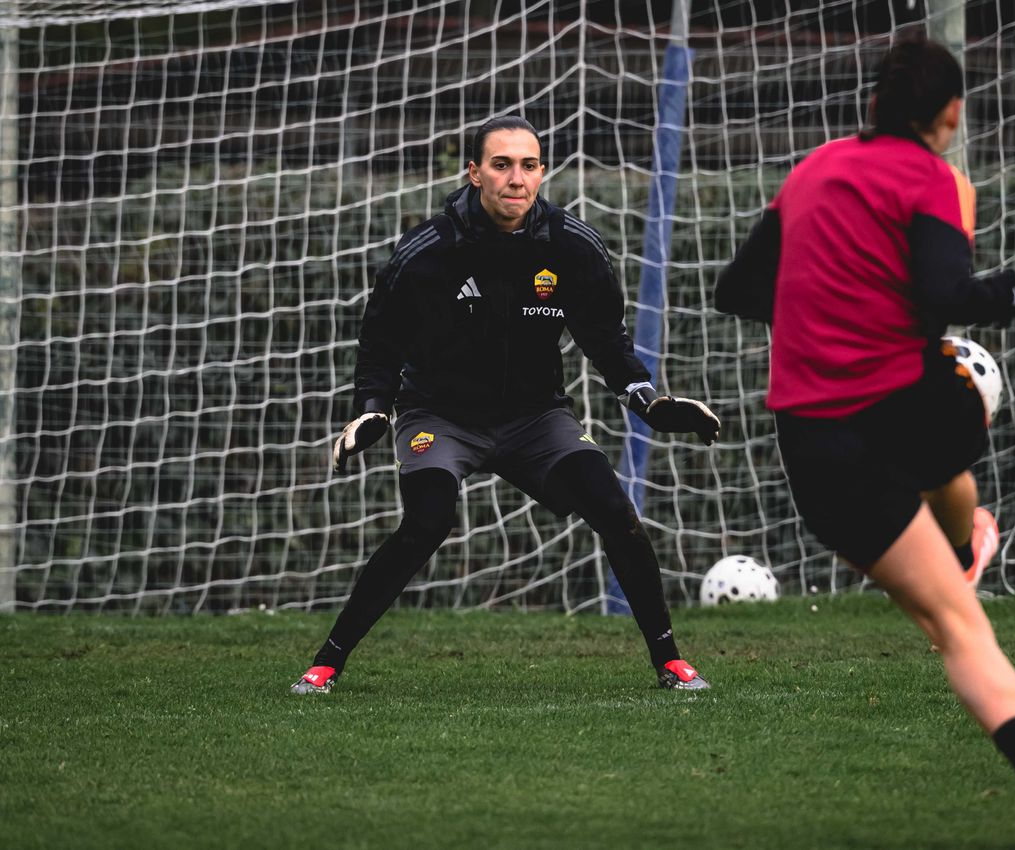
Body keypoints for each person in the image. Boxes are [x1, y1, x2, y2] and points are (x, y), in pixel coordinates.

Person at [715, 39, 1015, 850]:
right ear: (950, 114)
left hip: (811, 442)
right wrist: (1007, 290)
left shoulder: (814, 170)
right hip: (900, 411)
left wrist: (820, 314)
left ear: (873, 103)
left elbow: (736, 288)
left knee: (946, 619)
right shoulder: (932, 178)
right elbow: (948, 298)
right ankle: (967, 549)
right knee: (966, 387)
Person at [293, 116, 720, 695]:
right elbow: (380, 342)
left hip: (536, 418)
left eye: (528, 165)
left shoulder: (572, 247)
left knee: (614, 510)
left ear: (542, 173)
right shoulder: (426, 252)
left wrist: (649, 401)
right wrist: (373, 406)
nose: (516, 179)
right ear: (474, 173)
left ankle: (670, 660)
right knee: (429, 520)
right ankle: (327, 662)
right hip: (439, 415)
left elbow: (608, 344)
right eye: (501, 165)